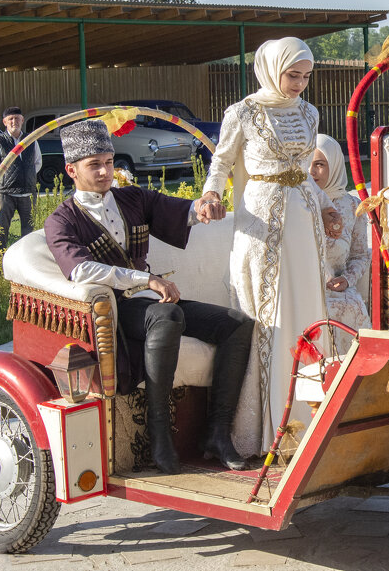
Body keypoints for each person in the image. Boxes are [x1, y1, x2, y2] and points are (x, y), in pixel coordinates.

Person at [43, 120, 253, 474]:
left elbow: (180, 211)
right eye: (94, 164)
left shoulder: (132, 197)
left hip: (152, 304)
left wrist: (203, 208)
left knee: (236, 325)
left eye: (109, 162)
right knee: (167, 315)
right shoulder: (60, 221)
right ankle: (159, 435)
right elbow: (80, 271)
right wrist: (147, 278)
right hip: (112, 311)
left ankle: (217, 434)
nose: (105, 170)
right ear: (71, 170)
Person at [197, 36, 344, 460]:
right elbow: (221, 163)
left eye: (306, 76)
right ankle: (271, 430)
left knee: (309, 312)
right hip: (261, 223)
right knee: (273, 317)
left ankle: (313, 419)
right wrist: (209, 196)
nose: (299, 84)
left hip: (303, 222)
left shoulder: (309, 112)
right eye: (292, 75)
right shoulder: (243, 112)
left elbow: (303, 172)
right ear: (270, 68)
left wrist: (327, 206)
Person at [310, 133, 372, 352]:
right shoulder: (298, 203)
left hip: (337, 292)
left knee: (351, 310)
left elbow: (359, 255)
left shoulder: (353, 206)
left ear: (335, 165)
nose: (311, 172)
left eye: (319, 164)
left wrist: (347, 279)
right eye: (306, 163)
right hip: (303, 289)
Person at [0, 106, 42, 248]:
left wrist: (29, 176)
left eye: (17, 118)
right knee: (0, 230)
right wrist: (0, 181)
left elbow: (37, 162)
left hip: (28, 192)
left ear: (22, 120)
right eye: (10, 119)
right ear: (4, 122)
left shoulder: (31, 140)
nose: (14, 121)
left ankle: (28, 260)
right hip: (5, 194)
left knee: (30, 232)